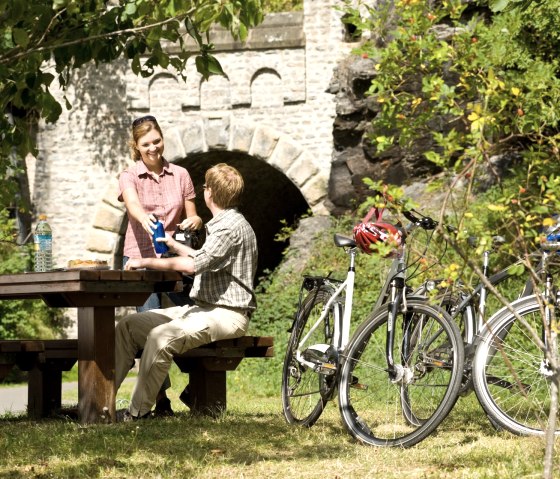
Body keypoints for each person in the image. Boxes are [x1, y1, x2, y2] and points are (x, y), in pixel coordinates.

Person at [114, 163, 258, 420]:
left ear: (209, 194)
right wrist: (172, 243)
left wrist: (144, 261)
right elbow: (204, 256)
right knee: (128, 326)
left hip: (227, 314)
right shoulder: (225, 223)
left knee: (161, 337)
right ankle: (99, 404)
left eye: (205, 186)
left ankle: (137, 414)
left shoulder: (229, 228)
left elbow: (194, 265)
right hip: (202, 309)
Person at [118, 114, 203, 311]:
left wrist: (196, 221)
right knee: (148, 320)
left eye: (157, 141)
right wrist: (143, 217)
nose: (153, 148)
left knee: (194, 311)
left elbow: (193, 216)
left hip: (173, 257)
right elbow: (132, 204)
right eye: (146, 144)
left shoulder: (181, 174)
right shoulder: (128, 176)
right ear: (136, 146)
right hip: (139, 257)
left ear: (163, 139)